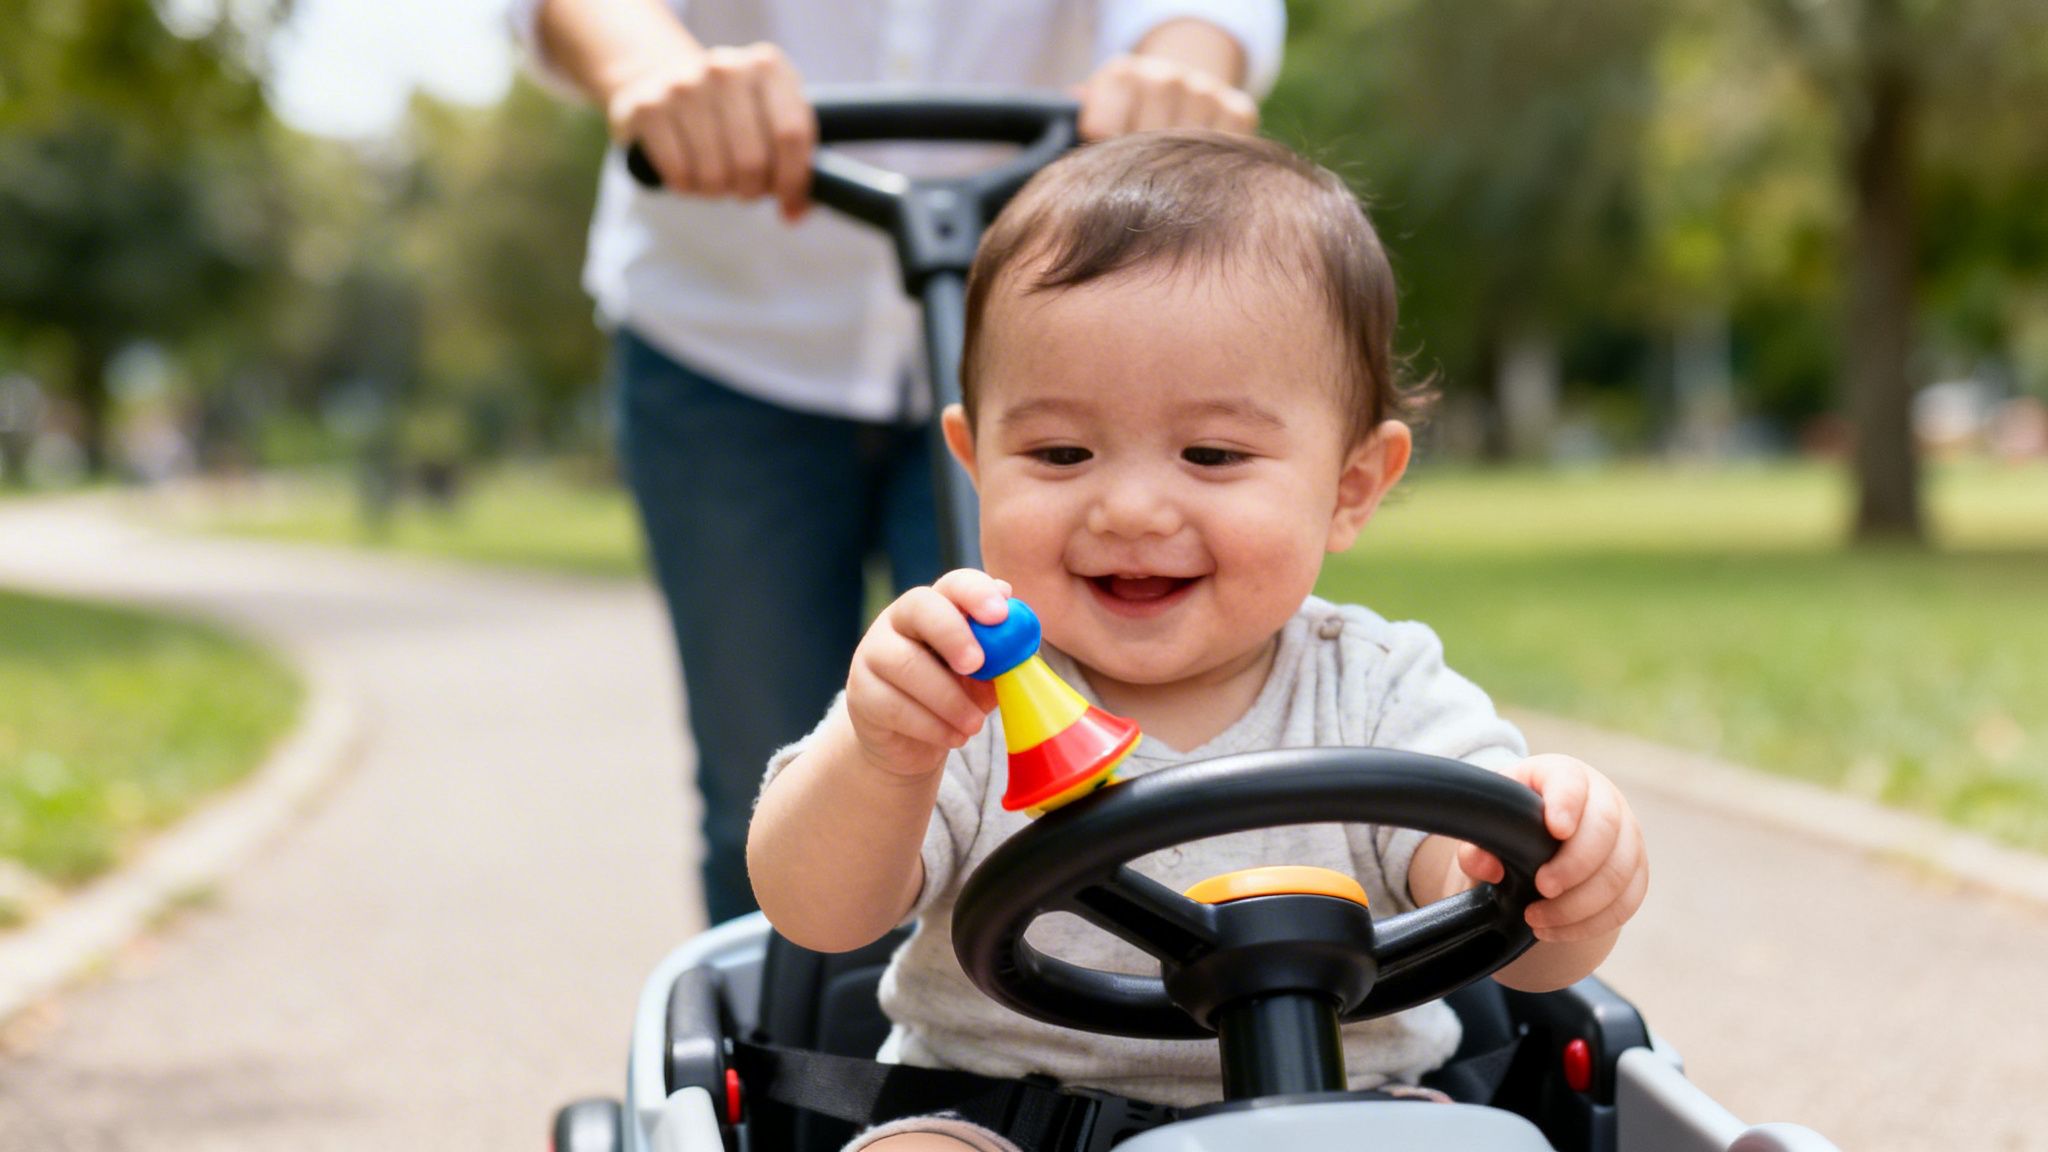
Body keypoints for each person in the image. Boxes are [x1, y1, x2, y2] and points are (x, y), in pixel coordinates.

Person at [747, 131, 1652, 1151]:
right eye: (1058, 452)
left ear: (1351, 487)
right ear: (971, 462)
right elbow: (813, 913)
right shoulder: (961, 690)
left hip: (1342, 1118)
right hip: (1000, 1117)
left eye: (1210, 454)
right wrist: (882, 757)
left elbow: (1515, 937)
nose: (1129, 507)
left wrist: (1557, 872)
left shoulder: (1379, 686)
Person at [508, 0, 1285, 925]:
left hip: (1048, 365)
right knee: (771, 779)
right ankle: (791, 1057)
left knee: (1066, 758)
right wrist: (653, 71)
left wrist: (1177, 74)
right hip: (727, 329)